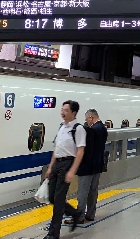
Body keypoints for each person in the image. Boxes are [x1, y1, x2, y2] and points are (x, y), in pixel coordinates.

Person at [44, 101, 86, 238]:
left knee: (59, 200)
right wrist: (50, 167)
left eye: (66, 110)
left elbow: (80, 151)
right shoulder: (62, 127)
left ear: (74, 113)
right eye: (62, 110)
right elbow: (57, 149)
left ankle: (53, 234)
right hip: (57, 164)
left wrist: (72, 171)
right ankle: (74, 213)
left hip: (67, 164)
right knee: (51, 197)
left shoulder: (78, 129)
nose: (62, 112)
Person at [67, 109, 108, 225]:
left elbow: (86, 149)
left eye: (86, 119)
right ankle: (90, 214)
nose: (86, 122)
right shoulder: (103, 128)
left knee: (82, 192)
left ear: (90, 117)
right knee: (93, 191)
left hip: (88, 167)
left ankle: (79, 217)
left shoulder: (92, 130)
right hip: (98, 165)